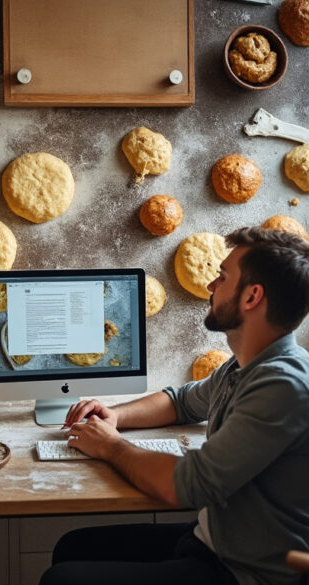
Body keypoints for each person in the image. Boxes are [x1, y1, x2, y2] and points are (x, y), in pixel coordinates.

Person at [40, 227, 309, 585]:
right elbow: (181, 402)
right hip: (216, 540)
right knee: (72, 546)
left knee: (63, 580)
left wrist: (110, 446)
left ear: (252, 297)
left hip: (249, 572)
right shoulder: (246, 364)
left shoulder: (283, 385)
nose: (211, 286)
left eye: (223, 277)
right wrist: (115, 416)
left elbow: (189, 484)